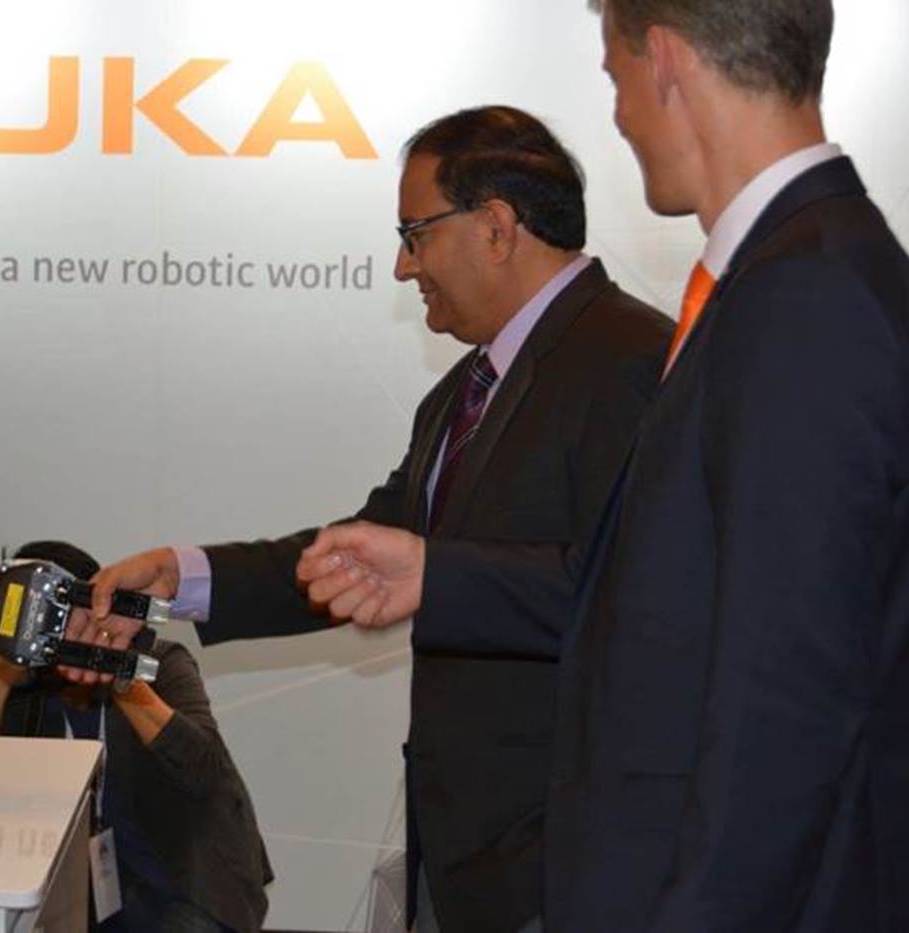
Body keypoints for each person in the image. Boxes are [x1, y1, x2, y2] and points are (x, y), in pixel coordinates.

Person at [296, 2, 909, 930]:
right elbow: (660, 592)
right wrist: (439, 573)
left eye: (613, 77)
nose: (619, 115)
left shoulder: (804, 295)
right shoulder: (797, 272)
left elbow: (783, 701)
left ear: (662, 60)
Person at [69, 107, 672, 931]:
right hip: (467, 856)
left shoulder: (632, 360)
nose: (402, 264)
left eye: (415, 233)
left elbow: (641, 597)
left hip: (571, 859)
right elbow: (360, 556)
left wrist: (439, 574)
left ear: (496, 227)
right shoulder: (462, 393)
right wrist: (184, 576)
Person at [0, 541, 272, 933]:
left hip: (190, 881)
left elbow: (203, 768)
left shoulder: (161, 662)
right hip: (95, 893)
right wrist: (0, 677)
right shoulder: (32, 688)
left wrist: (120, 674)